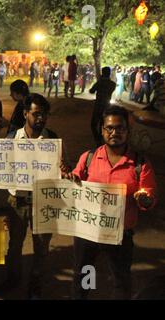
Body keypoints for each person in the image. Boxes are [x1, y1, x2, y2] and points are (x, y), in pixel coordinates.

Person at [66, 106, 156, 299]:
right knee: (85, 274)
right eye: (109, 128)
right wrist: (68, 178)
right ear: (102, 130)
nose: (114, 132)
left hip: (120, 236)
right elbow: (73, 182)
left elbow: (148, 197)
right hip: (87, 233)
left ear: (128, 131)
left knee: (120, 280)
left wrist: (145, 200)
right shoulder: (88, 158)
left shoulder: (140, 164)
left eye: (120, 128)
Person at [0, 93, 70, 298]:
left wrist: (65, 169)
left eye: (44, 114)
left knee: (41, 247)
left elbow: (66, 168)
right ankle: (13, 278)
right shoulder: (12, 138)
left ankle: (35, 283)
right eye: (36, 113)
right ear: (25, 113)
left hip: (44, 200)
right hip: (17, 200)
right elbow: (1, 166)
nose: (41, 118)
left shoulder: (54, 139)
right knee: (14, 245)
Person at [89, 66, 116, 146]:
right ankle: (101, 138)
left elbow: (91, 91)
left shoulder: (99, 82)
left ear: (102, 73)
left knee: (93, 124)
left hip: (98, 105)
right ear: (109, 74)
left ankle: (98, 140)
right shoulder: (112, 84)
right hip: (107, 106)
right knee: (102, 123)